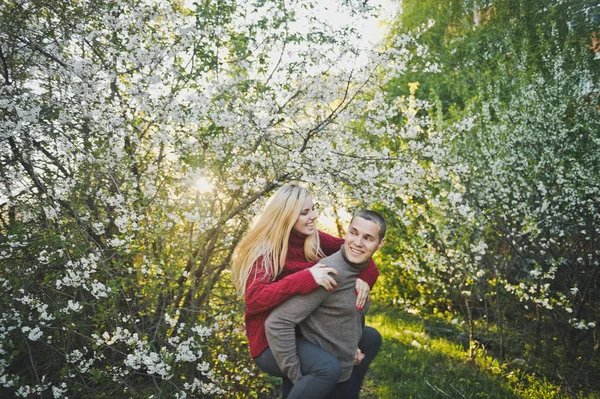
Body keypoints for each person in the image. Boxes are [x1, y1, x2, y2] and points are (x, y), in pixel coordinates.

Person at [231, 185, 380, 399]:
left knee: (370, 338)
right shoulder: (265, 252)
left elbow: (358, 248)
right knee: (326, 368)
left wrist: (366, 278)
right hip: (271, 340)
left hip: (306, 330)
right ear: (285, 217)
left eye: (313, 209)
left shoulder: (314, 238)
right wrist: (307, 277)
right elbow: (254, 300)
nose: (314, 216)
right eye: (305, 212)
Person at [265, 210, 385, 399]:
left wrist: (352, 343)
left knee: (372, 338)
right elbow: (278, 322)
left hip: (342, 368)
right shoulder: (328, 274)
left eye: (368, 238)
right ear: (346, 233)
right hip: (321, 371)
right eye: (353, 233)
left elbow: (350, 315)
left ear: (380, 245)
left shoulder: (361, 273)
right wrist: (296, 375)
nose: (358, 242)